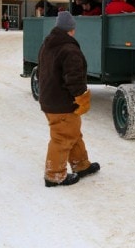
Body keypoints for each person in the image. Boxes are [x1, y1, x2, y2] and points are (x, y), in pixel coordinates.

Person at [38, 11, 100, 187]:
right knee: (63, 137)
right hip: (62, 103)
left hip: (50, 100)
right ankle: (54, 175)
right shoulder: (69, 49)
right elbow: (74, 78)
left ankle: (81, 166)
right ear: (71, 29)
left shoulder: (48, 44)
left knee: (72, 133)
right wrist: (82, 97)